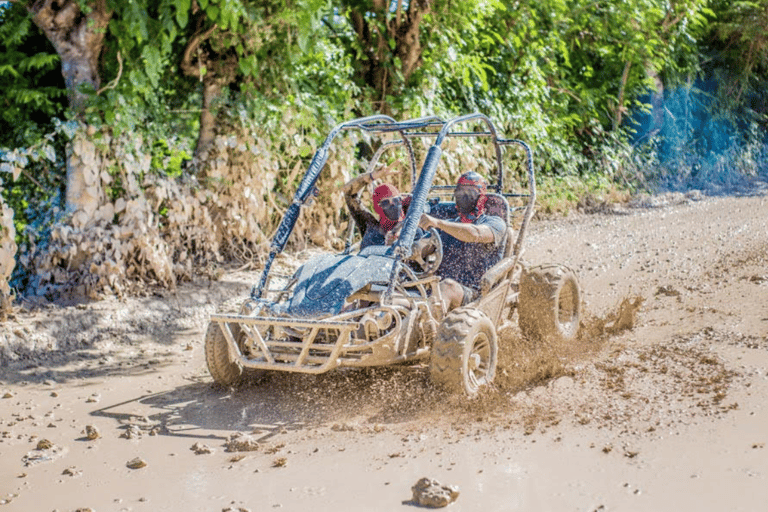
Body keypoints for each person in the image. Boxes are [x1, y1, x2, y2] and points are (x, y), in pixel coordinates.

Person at [418, 171, 507, 311]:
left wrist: (438, 223)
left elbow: (475, 233)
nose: (464, 195)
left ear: (481, 196)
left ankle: (427, 332)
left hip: (476, 294)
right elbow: (421, 247)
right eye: (460, 191)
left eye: (470, 191)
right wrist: (400, 240)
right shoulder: (447, 225)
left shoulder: (495, 223)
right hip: (437, 291)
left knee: (447, 287)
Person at [343, 166, 410, 249]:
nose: (393, 205)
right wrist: (371, 176)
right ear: (378, 207)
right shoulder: (370, 226)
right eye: (386, 202)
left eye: (395, 200)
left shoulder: (411, 224)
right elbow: (348, 191)